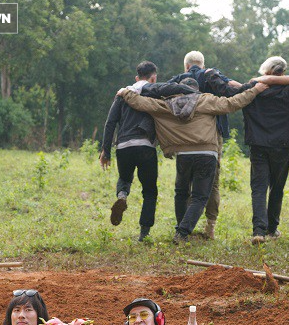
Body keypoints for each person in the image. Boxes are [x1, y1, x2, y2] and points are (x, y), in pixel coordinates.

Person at [207, 56, 289, 244]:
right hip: (282, 144)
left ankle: (258, 231)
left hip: (258, 144)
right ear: (283, 72)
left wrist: (211, 74)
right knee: (277, 188)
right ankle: (272, 229)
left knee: (259, 188)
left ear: (265, 70)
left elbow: (226, 90)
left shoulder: (253, 89)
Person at [118, 76, 268, 243]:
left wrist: (126, 92)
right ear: (196, 89)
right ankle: (182, 233)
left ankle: (180, 229)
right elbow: (233, 103)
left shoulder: (167, 104)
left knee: (181, 193)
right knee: (199, 197)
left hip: (183, 156)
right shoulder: (205, 100)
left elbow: (142, 103)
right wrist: (255, 90)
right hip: (206, 154)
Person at [100, 61, 195, 241]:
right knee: (150, 191)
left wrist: (105, 150)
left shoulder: (123, 94)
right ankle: (144, 233)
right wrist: (198, 93)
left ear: (137, 78)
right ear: (153, 77)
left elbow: (110, 123)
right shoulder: (154, 90)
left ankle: (122, 195)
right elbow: (173, 88)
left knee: (125, 178)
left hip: (123, 146)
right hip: (145, 146)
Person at [166, 51, 242, 240]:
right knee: (212, 182)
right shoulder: (212, 75)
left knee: (183, 183)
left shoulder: (178, 80)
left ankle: (183, 225)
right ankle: (210, 226)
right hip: (212, 135)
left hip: (185, 135)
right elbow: (232, 87)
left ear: (186, 66)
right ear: (203, 64)